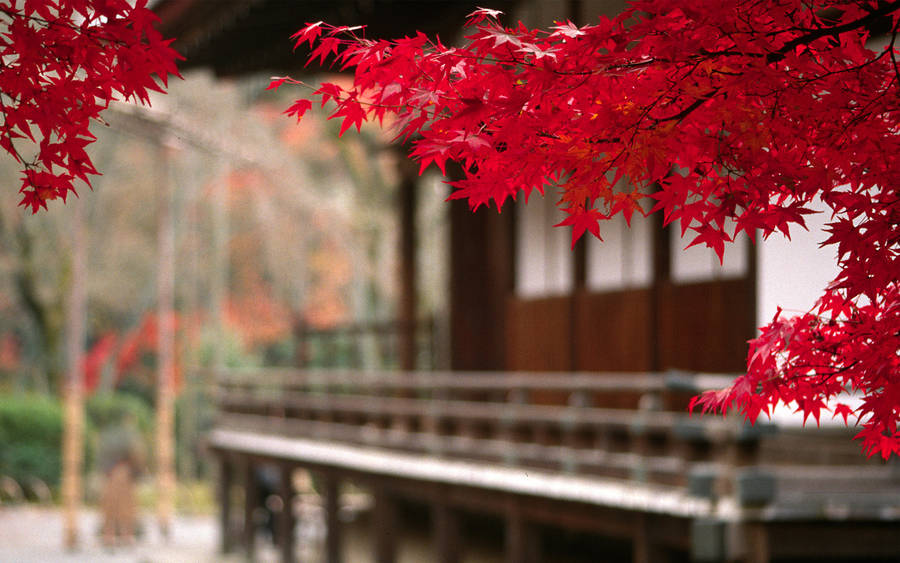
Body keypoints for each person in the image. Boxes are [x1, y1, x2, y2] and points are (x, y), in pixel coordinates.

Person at [97, 412, 145, 546]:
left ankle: (110, 535)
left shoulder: (107, 434)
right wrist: (138, 471)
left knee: (111, 504)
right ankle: (124, 535)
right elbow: (136, 453)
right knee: (125, 505)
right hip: (124, 472)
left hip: (111, 472)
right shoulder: (130, 435)